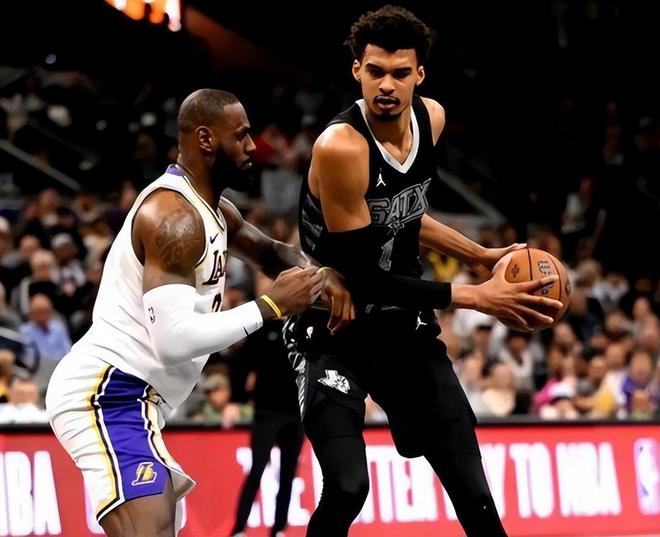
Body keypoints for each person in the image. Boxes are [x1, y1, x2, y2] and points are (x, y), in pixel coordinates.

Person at [289, 6, 563, 537]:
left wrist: (480, 256)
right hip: (334, 326)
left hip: (402, 326)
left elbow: (407, 215)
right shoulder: (341, 146)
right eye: (375, 71)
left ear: (420, 74)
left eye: (400, 73)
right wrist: (478, 296)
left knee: (474, 493)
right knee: (347, 488)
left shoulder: (430, 119)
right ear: (356, 70)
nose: (386, 85)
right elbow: (364, 277)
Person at [45, 89, 353, 537]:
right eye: (242, 135)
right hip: (107, 393)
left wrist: (334, 279)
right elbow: (172, 342)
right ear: (206, 139)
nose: (253, 147)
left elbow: (272, 254)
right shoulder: (174, 218)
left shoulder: (215, 211)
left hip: (141, 402)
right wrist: (270, 306)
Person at [229, 318, 304, 537]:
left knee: (289, 473)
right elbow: (242, 364)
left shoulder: (301, 328)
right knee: (257, 470)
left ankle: (279, 529)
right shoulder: (263, 331)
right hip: (266, 411)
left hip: (295, 413)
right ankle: (239, 529)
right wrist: (237, 399)